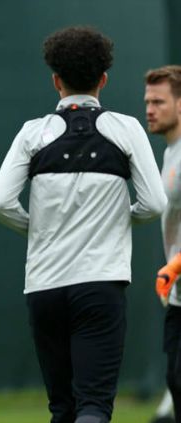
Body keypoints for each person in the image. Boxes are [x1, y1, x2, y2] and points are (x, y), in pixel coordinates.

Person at [0, 27, 167, 423]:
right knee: (94, 406)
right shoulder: (126, 129)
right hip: (100, 285)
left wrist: (37, 229)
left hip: (43, 287)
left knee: (62, 408)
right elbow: (154, 203)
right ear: (104, 78)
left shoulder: (32, 132)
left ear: (56, 80)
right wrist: (115, 221)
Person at [144, 65, 181, 423]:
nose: (150, 109)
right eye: (147, 101)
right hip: (177, 297)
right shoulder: (170, 153)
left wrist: (175, 264)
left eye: (159, 101)